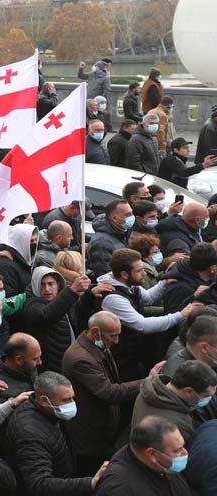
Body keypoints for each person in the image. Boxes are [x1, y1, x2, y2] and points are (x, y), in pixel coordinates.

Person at [62, 311, 143, 474]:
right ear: (95, 332)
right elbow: (108, 392)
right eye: (113, 336)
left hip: (102, 426)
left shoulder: (96, 345)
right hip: (90, 435)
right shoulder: (80, 359)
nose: (116, 341)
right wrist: (147, 383)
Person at [99, 248, 197, 380]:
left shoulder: (129, 285)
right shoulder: (113, 298)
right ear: (124, 274)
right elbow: (142, 325)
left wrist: (164, 282)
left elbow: (148, 297)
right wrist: (179, 315)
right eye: (139, 271)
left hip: (133, 355)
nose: (144, 274)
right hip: (120, 360)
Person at [5, 371, 106, 495]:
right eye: (66, 400)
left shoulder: (49, 413)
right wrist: (90, 483)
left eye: (72, 397)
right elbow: (39, 484)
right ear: (44, 400)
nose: (72, 404)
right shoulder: (29, 434)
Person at [95, 415, 194, 495]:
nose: (185, 453)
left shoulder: (164, 465)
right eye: (177, 450)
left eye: (183, 446)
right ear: (152, 454)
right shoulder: (118, 489)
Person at [132, 359, 217, 443]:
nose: (209, 399)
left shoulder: (150, 391)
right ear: (188, 391)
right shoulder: (175, 425)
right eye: (206, 396)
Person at [87, 200, 133, 279]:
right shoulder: (101, 242)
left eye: (132, 213)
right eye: (128, 215)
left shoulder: (123, 233)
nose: (132, 217)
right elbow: (104, 273)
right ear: (114, 218)